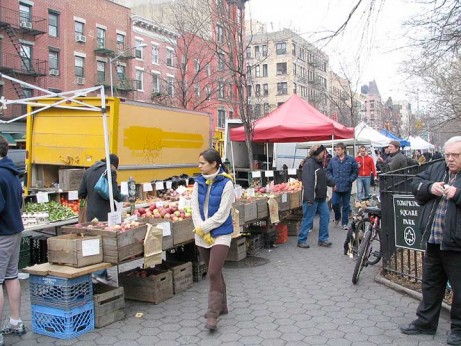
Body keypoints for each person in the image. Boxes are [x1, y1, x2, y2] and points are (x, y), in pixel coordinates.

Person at [400, 136, 461, 345]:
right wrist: (429, 187)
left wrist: (458, 194)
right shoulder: (437, 168)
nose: (450, 159)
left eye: (456, 155)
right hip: (434, 240)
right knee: (431, 284)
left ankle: (458, 330)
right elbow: (415, 183)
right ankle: (425, 323)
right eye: (448, 155)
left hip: (457, 243)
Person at [191, 148, 235, 331]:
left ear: (214, 164)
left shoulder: (227, 184)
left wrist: (204, 227)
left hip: (221, 233)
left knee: (213, 273)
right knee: (215, 271)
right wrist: (200, 229)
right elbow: (194, 208)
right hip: (201, 234)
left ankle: (212, 314)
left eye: (202, 163)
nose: (199, 166)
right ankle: (222, 306)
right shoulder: (198, 182)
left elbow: (223, 213)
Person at [78, 153, 125, 284]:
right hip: (105, 213)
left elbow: (81, 193)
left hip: (91, 214)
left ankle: (100, 273)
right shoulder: (109, 171)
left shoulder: (88, 171)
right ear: (114, 164)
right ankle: (99, 274)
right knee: (105, 243)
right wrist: (123, 198)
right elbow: (114, 193)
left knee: (95, 242)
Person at [0, 135, 26, 345]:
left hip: (1, 233)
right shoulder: (13, 174)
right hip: (14, 230)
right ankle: (16, 321)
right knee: (11, 276)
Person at [297, 145, 335, 248]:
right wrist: (309, 198)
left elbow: (323, 178)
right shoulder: (309, 164)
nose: (325, 154)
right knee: (308, 219)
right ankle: (301, 240)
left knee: (326, 217)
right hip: (312, 197)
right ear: (319, 152)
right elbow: (308, 182)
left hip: (321, 197)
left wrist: (332, 183)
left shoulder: (319, 164)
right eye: (323, 151)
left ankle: (323, 239)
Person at [326, 142, 359, 230]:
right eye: (336, 150)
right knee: (334, 203)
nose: (337, 151)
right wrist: (332, 180)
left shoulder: (351, 160)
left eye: (338, 150)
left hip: (347, 186)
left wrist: (350, 179)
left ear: (343, 150)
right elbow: (328, 171)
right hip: (336, 186)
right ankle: (337, 217)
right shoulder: (333, 160)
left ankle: (344, 223)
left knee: (346, 205)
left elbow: (355, 171)